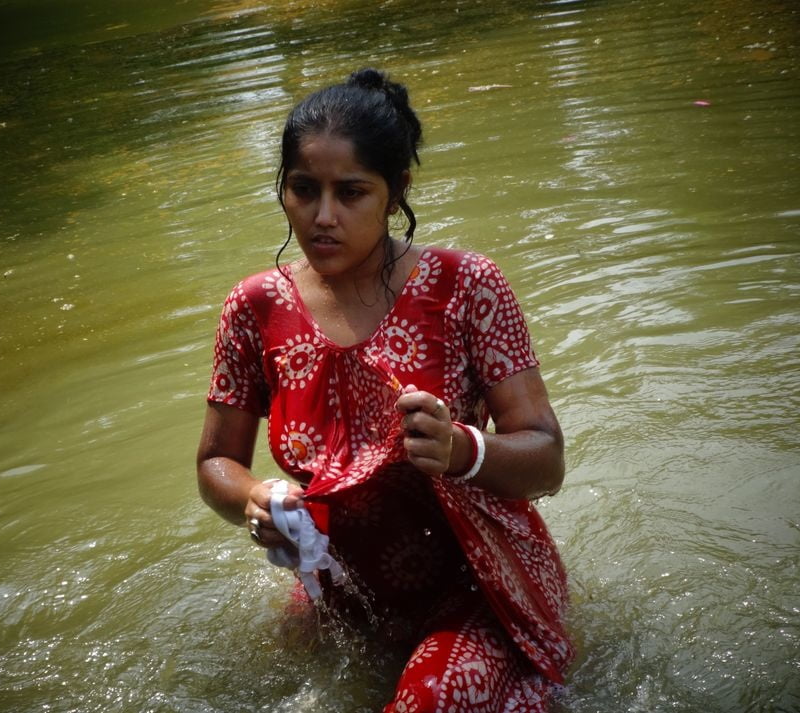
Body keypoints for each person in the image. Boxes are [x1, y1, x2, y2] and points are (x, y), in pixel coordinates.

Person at [196, 68, 573, 712]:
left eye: (351, 193)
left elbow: (547, 458)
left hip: (477, 583)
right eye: (303, 190)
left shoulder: (467, 286)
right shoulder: (254, 306)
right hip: (340, 582)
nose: (323, 217)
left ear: (396, 192)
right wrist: (256, 497)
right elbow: (214, 464)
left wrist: (463, 450)